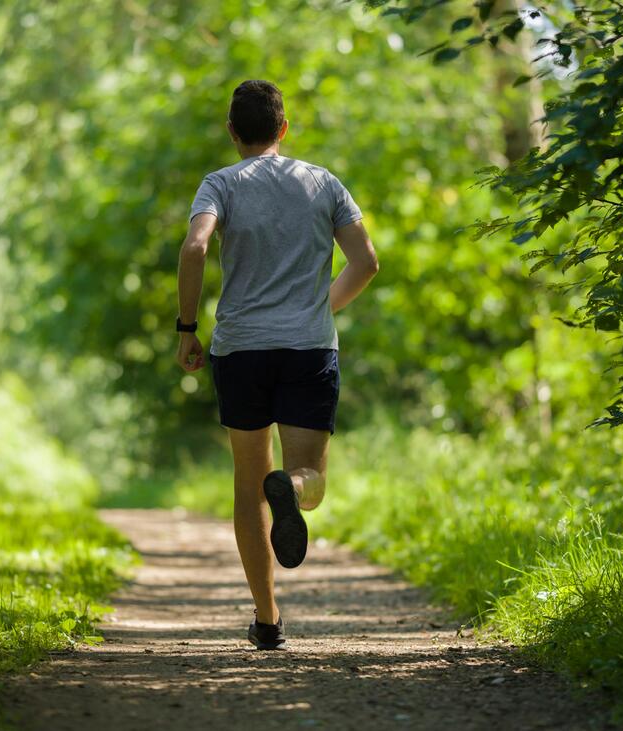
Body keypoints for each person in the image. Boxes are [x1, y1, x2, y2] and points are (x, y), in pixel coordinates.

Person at [173, 79, 379, 650]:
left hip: (240, 348)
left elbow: (194, 248)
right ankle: (289, 486)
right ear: (283, 128)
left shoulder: (219, 185)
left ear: (233, 132)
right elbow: (366, 262)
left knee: (246, 485)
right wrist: (320, 307)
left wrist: (187, 328)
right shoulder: (321, 182)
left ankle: (267, 619)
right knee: (308, 478)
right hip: (308, 346)